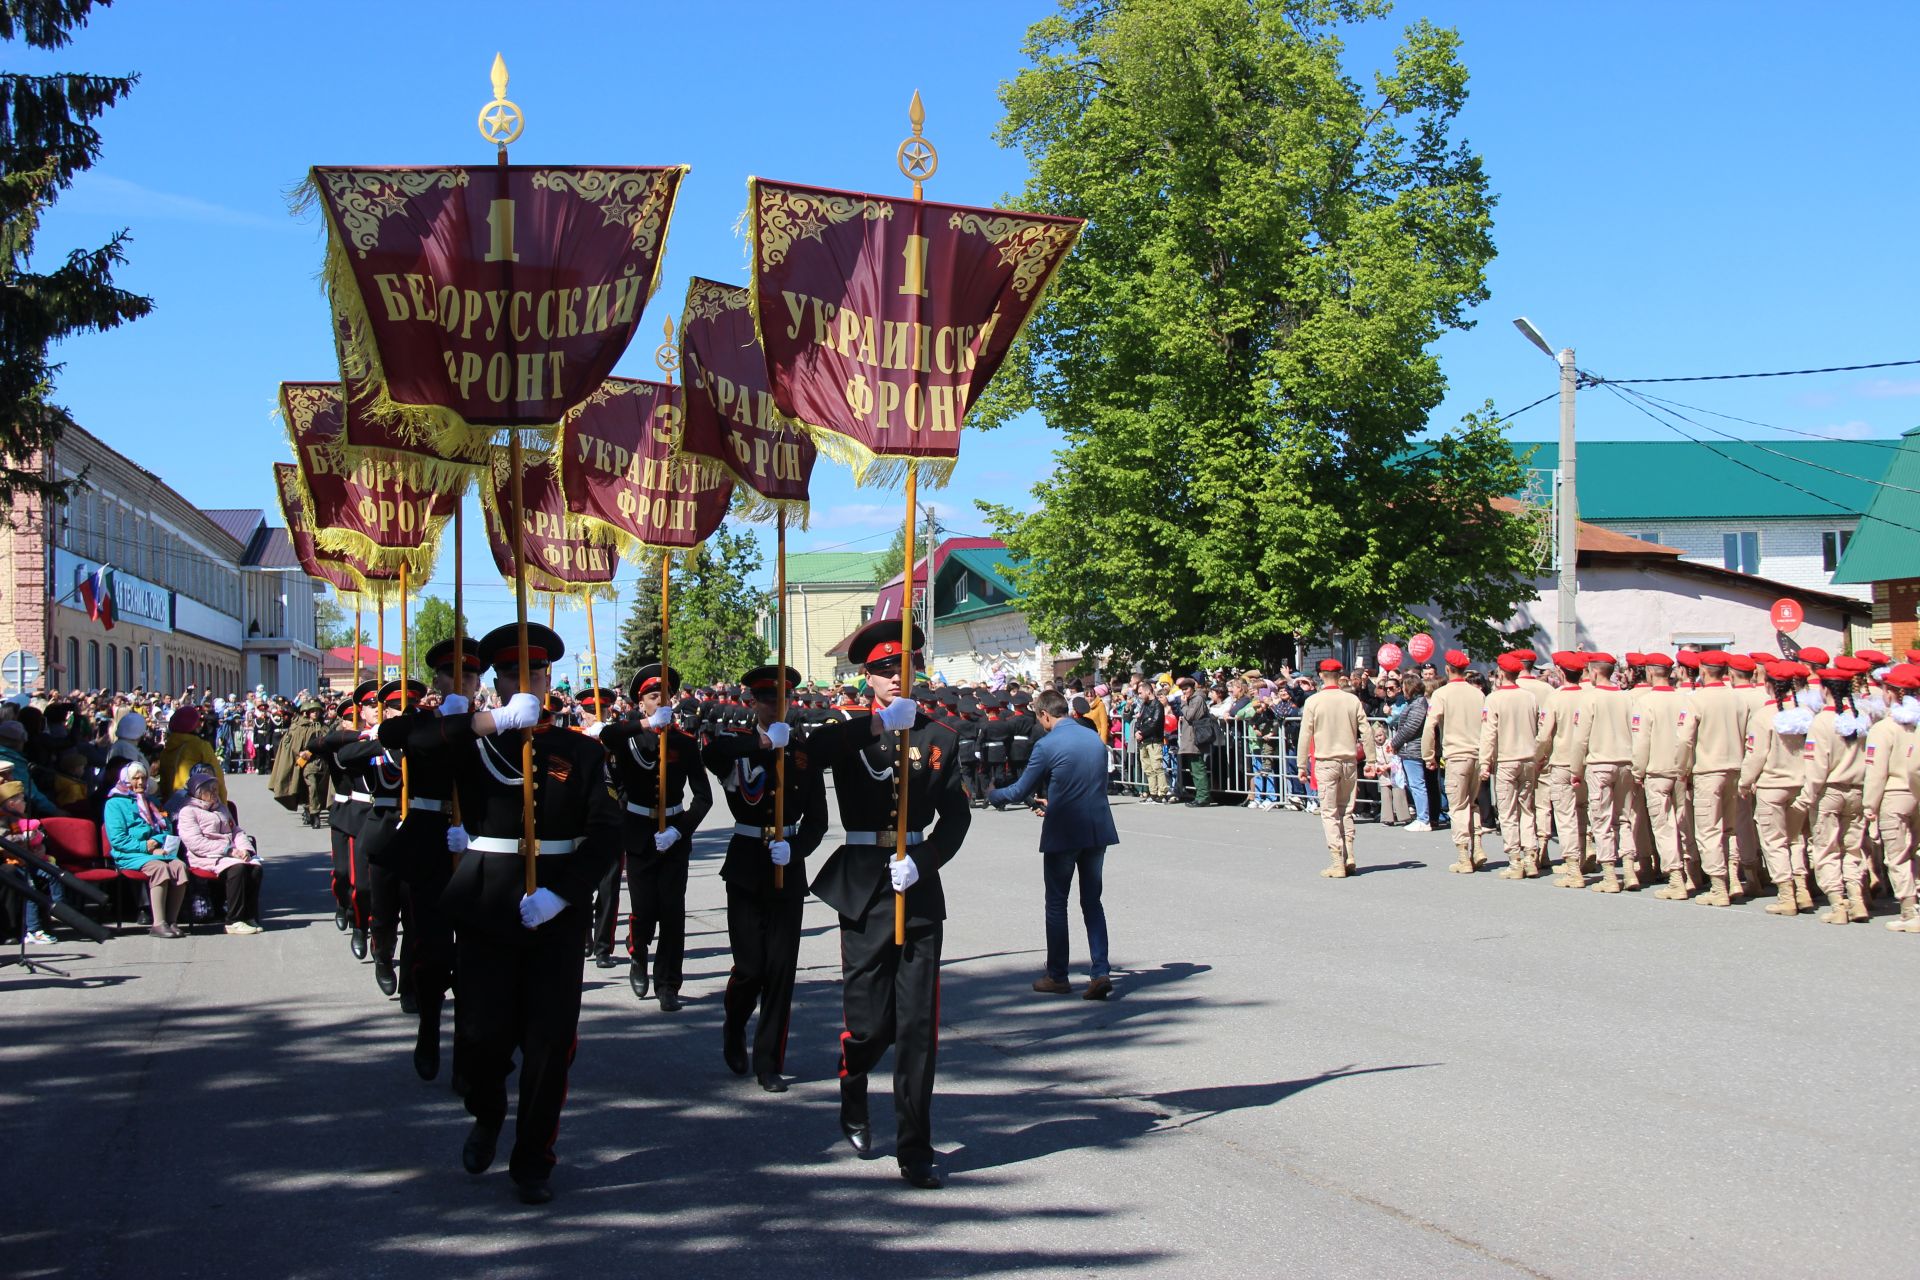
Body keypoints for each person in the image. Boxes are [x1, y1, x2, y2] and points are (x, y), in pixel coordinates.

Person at [378, 621, 621, 1205]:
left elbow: (607, 834)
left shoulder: (581, 750)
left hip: (555, 909)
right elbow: (398, 735)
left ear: (549, 677)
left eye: (534, 672)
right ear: (497, 680)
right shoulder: (475, 741)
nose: (526, 681)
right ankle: (486, 1112)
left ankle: (533, 1157)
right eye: (512, 673)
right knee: (483, 1040)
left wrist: (563, 894)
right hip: (487, 903)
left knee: (550, 1041)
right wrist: (482, 719)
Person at [806, 618, 970, 1190]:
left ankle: (914, 1145)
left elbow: (956, 816)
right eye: (881, 671)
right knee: (871, 1023)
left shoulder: (940, 737)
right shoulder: (848, 730)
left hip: (915, 886)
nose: (894, 679)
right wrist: (873, 724)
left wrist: (922, 862)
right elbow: (810, 751)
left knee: (919, 1026)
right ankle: (853, 1082)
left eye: (902, 668)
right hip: (863, 887)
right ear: (866, 678)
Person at [702, 663, 830, 1092]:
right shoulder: (734, 743)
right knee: (751, 967)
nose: (776, 707)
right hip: (745, 864)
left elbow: (817, 821)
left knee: (780, 971)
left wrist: (795, 848)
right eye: (767, 700)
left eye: (783, 700)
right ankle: (734, 1023)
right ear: (752, 703)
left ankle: (768, 1059)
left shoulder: (804, 753)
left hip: (786, 865)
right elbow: (711, 756)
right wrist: (760, 745)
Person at [989, 688, 1118, 998]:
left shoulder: (1047, 745)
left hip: (1064, 831)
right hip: (1097, 828)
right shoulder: (1094, 740)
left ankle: (1058, 974)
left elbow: (1020, 790)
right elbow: (1084, 784)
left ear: (1045, 715)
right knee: (1092, 902)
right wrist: (1053, 800)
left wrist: (995, 795)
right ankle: (1100, 969)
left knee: (1057, 904)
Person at [601, 660, 713, 1010]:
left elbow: (703, 796)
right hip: (638, 832)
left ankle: (668, 984)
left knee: (673, 910)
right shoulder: (630, 734)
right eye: (652, 695)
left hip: (674, 834)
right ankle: (638, 954)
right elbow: (607, 736)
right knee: (644, 908)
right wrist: (647, 724)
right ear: (640, 702)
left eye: (665, 695)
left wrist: (680, 831)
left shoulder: (684, 741)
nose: (660, 700)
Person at [103, 760, 187, 938]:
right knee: (159, 868)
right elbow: (117, 839)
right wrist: (145, 847)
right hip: (129, 853)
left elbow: (166, 827)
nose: (140, 782)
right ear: (126, 779)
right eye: (135, 778)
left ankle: (172, 921)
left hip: (155, 850)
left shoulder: (152, 801)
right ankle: (158, 923)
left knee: (179, 867)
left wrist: (155, 842)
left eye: (143, 778)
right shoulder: (114, 804)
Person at [1298, 659, 1366, 877]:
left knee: (1329, 812)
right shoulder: (1351, 699)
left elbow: (1305, 735)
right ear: (1339, 674)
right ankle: (1350, 854)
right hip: (1348, 760)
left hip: (1326, 760)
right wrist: (1372, 760)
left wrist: (1302, 765)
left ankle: (1337, 860)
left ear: (1320, 675)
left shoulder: (1314, 701)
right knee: (1346, 809)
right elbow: (1367, 731)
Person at [1422, 650, 1486, 873]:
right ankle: (1477, 847)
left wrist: (1428, 754)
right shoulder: (1478, 694)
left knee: (1458, 806)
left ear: (1448, 669)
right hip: (1477, 753)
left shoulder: (1442, 694)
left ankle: (1463, 854)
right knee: (1473, 803)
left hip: (1456, 755)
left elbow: (1430, 725)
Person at [176, 772, 264, 935]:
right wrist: (229, 851)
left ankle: (248, 915)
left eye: (217, 790)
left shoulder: (221, 808)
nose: (216, 794)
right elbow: (195, 843)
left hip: (231, 853)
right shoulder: (188, 812)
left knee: (255, 867)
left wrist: (245, 849)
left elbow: (236, 830)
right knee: (238, 869)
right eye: (212, 791)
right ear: (199, 793)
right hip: (205, 856)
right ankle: (233, 920)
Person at [1866, 664, 1920, 932]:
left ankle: (1910, 910)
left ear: (1892, 693)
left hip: (1895, 794)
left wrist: (1869, 805)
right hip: (1917, 793)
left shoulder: (1884, 728)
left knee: (1897, 855)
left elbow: (1876, 772)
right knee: (1915, 851)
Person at [1481, 653, 1541, 880]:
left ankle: (1515, 859)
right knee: (1527, 809)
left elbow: (1489, 734)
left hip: (1506, 758)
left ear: (1502, 674)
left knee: (1507, 812)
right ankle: (1530, 856)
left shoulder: (1494, 699)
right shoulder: (1530, 697)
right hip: (1528, 757)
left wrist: (1485, 762)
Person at [1176, 676, 1215, 806]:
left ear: (1193, 688)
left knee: (1198, 768)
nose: (1184, 692)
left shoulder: (1197, 699)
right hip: (1190, 737)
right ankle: (1200, 795)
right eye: (1182, 690)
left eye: (1186, 689)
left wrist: (1183, 704)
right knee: (1194, 768)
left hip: (1196, 738)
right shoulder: (1191, 699)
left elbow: (1190, 715)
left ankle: (1203, 797)